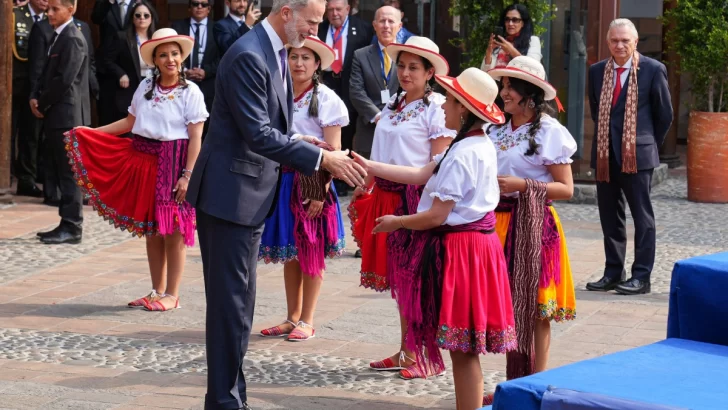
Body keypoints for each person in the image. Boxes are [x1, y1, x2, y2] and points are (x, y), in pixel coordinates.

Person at [184, 0, 366, 407]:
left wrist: (303, 143)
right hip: (229, 197)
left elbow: (272, 128)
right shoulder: (250, 54)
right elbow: (258, 134)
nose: (315, 31)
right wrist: (322, 159)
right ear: (287, 11)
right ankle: (225, 402)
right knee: (231, 308)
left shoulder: (273, 51)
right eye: (312, 22)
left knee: (239, 307)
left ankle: (232, 397)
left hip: (245, 194)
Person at [352, 67, 516, 410]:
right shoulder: (470, 143)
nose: (442, 107)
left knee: (463, 348)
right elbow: (419, 173)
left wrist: (398, 222)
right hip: (471, 247)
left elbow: (436, 216)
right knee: (462, 347)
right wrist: (368, 164)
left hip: (464, 249)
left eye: (450, 101)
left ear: (463, 108)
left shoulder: (465, 152)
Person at [64, 28, 206, 312]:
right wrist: (93, 133)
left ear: (181, 57)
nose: (169, 59)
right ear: (155, 60)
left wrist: (188, 175)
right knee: (152, 230)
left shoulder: (191, 92)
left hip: (174, 161)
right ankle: (156, 290)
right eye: (163, 55)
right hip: (143, 160)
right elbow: (129, 123)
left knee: (174, 229)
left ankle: (172, 294)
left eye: (174, 54)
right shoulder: (146, 86)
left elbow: (195, 138)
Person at [349, 36, 454, 379]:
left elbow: (438, 165)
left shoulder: (435, 108)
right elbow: (380, 153)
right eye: (402, 66)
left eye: (414, 68)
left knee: (418, 279)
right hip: (386, 193)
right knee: (400, 281)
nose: (406, 73)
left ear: (429, 74)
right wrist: (365, 186)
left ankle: (424, 355)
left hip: (416, 199)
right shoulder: (394, 103)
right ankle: (408, 349)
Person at [482, 56, 576, 405]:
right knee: (508, 307)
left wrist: (523, 185)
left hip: (534, 227)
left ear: (529, 95)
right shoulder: (496, 129)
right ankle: (514, 383)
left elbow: (566, 188)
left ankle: (534, 385)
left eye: (510, 87)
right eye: (503, 85)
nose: (503, 92)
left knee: (535, 309)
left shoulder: (551, 133)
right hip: (498, 225)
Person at [258, 37, 348, 341]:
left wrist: (319, 191)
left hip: (313, 181)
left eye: (305, 58)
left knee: (310, 250)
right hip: (283, 180)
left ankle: (307, 319)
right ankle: (291, 316)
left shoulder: (326, 99)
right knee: (291, 252)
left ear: (317, 63)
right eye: (293, 57)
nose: (298, 63)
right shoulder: (279, 93)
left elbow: (333, 151)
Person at [585, 19, 672, 296]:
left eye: (625, 40)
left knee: (642, 218)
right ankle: (613, 272)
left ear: (635, 42)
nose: (619, 45)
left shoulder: (653, 70)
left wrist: (645, 144)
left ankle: (641, 276)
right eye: (614, 40)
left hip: (638, 155)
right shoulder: (597, 71)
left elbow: (664, 115)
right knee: (610, 217)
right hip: (604, 154)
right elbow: (597, 110)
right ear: (608, 42)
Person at [30, 0, 90, 245]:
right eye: (49, 8)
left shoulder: (73, 38)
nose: (49, 12)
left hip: (66, 115)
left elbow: (64, 80)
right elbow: (46, 73)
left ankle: (73, 226)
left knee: (69, 172)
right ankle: (65, 221)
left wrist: (42, 103)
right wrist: (36, 96)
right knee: (59, 169)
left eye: (55, 9)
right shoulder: (58, 36)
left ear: (71, 9)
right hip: (56, 114)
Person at [317, 0, 372, 196]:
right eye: (330, 10)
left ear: (347, 9)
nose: (334, 14)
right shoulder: (320, 28)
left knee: (347, 130)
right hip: (327, 82)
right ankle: (330, 174)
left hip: (350, 84)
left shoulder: (363, 28)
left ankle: (346, 177)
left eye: (338, 9)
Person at [12, 0, 48, 198]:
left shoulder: (53, 18)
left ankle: (27, 179)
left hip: (37, 88)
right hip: (14, 86)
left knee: (32, 135)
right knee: (8, 134)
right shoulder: (14, 15)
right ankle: (6, 177)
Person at [102, 0, 158, 124]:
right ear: (132, 18)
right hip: (129, 91)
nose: (142, 18)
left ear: (151, 18)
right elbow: (107, 60)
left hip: (152, 90)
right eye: (137, 15)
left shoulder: (156, 39)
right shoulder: (122, 37)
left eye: (146, 15)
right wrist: (121, 73)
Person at [172, 0, 221, 138]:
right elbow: (173, 52)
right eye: (195, 4)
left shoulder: (217, 28)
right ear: (189, 8)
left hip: (209, 87)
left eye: (203, 4)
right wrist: (184, 70)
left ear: (209, 9)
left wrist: (206, 71)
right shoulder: (178, 26)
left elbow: (222, 57)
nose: (199, 7)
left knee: (207, 130)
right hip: (182, 84)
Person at [92, 0, 133, 125]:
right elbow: (96, 18)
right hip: (107, 66)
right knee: (107, 114)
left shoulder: (139, 3)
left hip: (131, 64)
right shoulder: (105, 3)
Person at [481, 4, 541, 71]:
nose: (510, 23)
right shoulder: (500, 42)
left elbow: (534, 68)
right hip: (496, 81)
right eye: (507, 19)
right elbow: (484, 72)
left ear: (523, 23)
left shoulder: (532, 40)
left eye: (515, 20)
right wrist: (489, 51)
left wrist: (511, 50)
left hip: (519, 81)